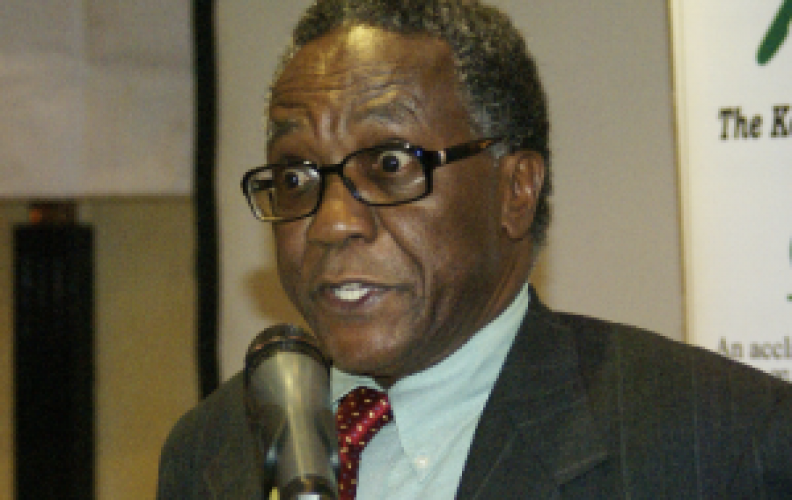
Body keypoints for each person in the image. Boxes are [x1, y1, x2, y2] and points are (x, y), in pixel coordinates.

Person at [157, 0, 792, 498]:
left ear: (516, 191)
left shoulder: (718, 439)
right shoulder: (213, 449)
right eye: (296, 176)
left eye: (390, 164)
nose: (331, 223)